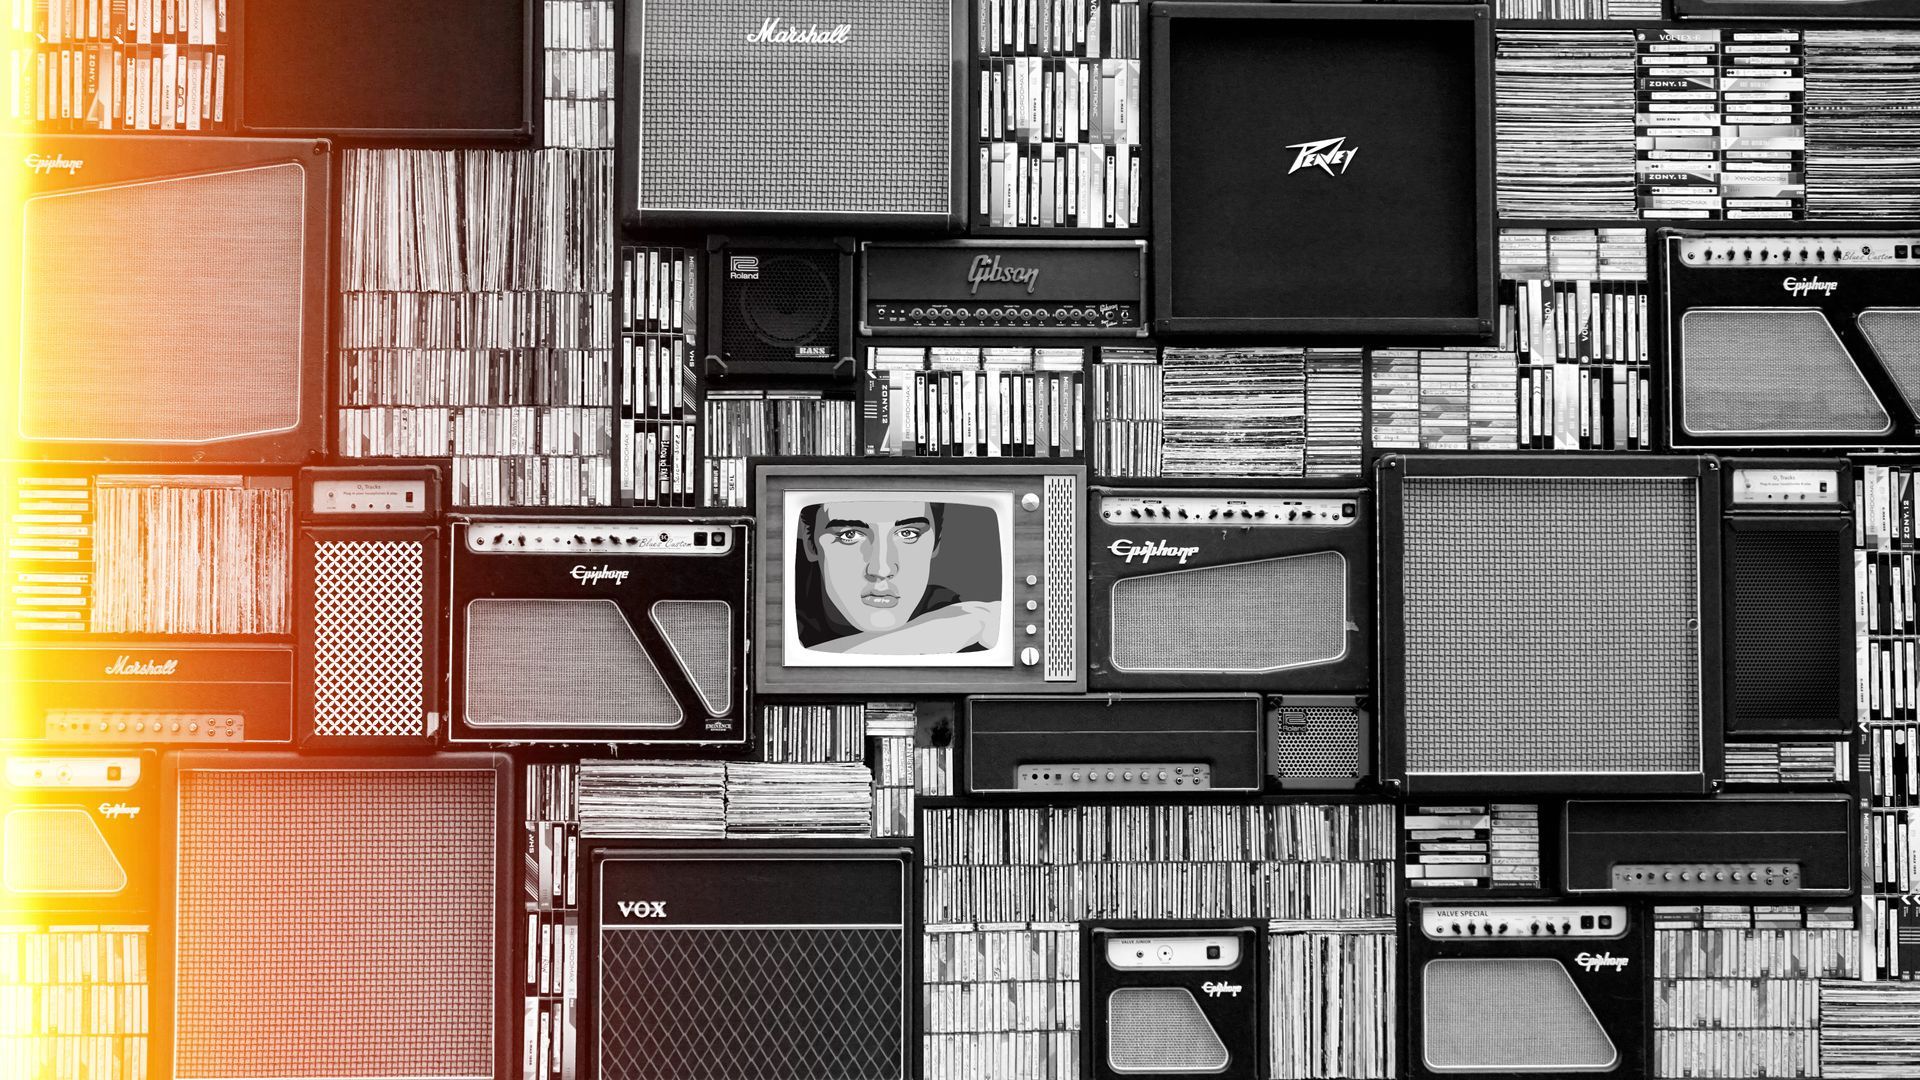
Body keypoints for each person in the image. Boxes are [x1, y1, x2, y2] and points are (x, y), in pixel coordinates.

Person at [794, 498, 1001, 655]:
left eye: (908, 534)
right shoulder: (776, 597)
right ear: (810, 544)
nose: (881, 569)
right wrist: (933, 634)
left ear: (936, 543)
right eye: (850, 535)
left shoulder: (945, 608)